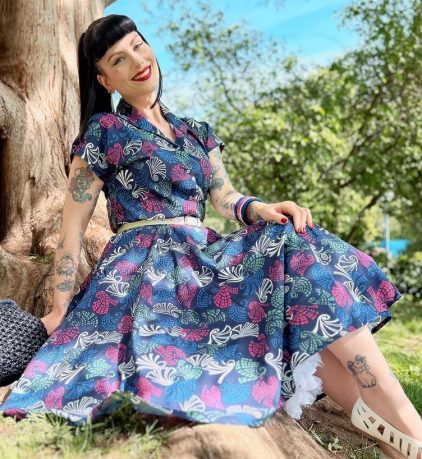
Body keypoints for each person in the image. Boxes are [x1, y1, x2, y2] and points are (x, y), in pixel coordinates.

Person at [0, 14, 420, 459]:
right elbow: (71, 231)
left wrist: (264, 208)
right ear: (105, 79)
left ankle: (391, 427)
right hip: (146, 269)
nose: (138, 62)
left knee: (294, 248)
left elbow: (225, 197)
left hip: (201, 257)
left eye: (139, 46)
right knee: (290, 260)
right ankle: (404, 423)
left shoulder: (195, 132)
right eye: (119, 59)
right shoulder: (105, 132)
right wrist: (59, 308)